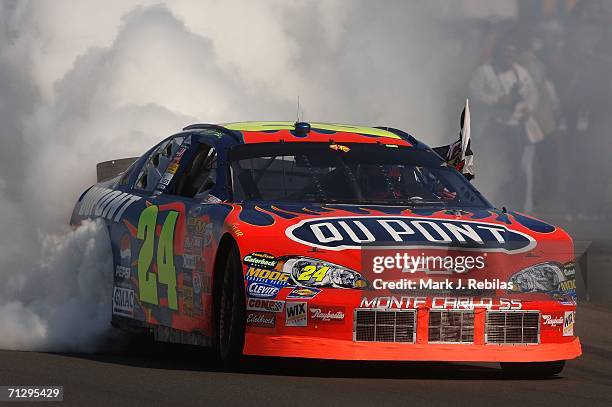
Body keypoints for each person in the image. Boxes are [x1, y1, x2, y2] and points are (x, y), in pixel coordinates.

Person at [469, 42, 541, 212]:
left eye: (512, 53)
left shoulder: (522, 73)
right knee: (492, 164)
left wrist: (529, 109)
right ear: (497, 54)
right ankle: (489, 202)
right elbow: (473, 92)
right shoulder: (485, 71)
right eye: (505, 53)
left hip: (516, 127)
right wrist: (497, 100)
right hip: (492, 127)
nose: (508, 57)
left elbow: (533, 95)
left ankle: (515, 207)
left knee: (516, 168)